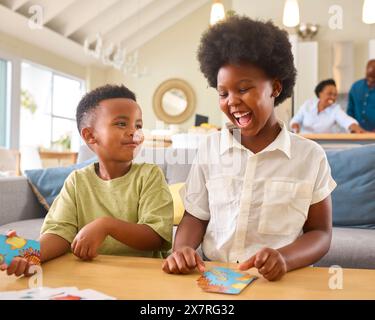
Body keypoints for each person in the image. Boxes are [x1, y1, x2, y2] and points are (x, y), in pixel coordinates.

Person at [162, 16, 337, 281]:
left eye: (243, 89)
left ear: (275, 88)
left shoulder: (310, 156)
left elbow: (321, 234)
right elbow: (196, 216)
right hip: (217, 279)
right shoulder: (210, 148)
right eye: (223, 94)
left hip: (281, 282)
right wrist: (183, 249)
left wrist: (285, 259)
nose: (232, 101)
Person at [2, 84, 173, 277]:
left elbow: (156, 237)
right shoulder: (76, 181)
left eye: (138, 125)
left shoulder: (150, 175)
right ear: (90, 135)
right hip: (87, 274)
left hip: (140, 275)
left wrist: (106, 225)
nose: (134, 132)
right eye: (121, 124)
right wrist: (28, 255)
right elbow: (60, 232)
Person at [290, 79, 365, 134]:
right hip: (304, 142)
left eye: (335, 95)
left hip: (323, 145)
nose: (332, 97)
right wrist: (295, 126)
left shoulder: (335, 109)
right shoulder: (307, 105)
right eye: (329, 94)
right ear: (320, 94)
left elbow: (346, 120)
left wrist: (355, 127)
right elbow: (295, 120)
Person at [347, 59, 375, 131]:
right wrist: (353, 127)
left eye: (373, 77)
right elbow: (350, 110)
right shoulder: (356, 86)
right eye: (369, 77)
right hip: (357, 133)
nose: (371, 80)